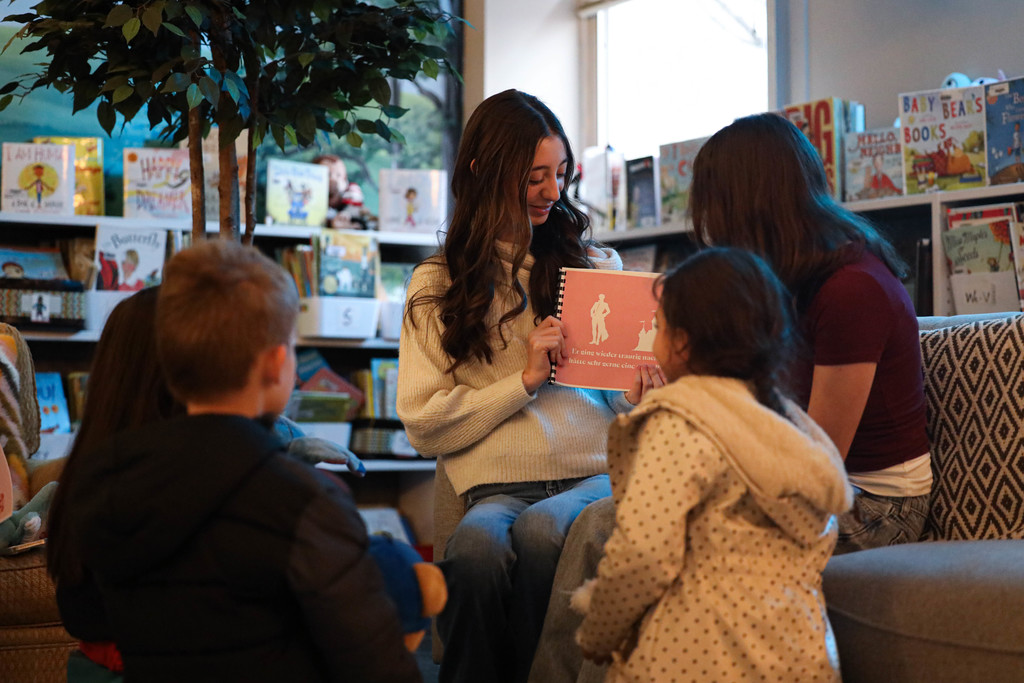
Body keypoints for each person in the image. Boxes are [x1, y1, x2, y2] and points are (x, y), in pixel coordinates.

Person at [63, 240, 419, 682]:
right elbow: (372, 657)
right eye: (292, 347)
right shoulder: (307, 499)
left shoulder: (103, 478)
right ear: (275, 363)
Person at [397, 89, 662, 683]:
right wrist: (523, 381)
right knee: (475, 551)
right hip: (496, 485)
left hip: (590, 471)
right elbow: (422, 424)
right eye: (534, 176)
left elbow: (617, 396)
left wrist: (637, 392)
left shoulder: (593, 266)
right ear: (482, 171)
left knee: (543, 534)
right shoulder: (436, 283)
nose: (551, 191)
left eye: (561, 174)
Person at [574, 247, 852, 682]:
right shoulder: (790, 424)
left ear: (681, 342)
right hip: (801, 652)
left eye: (658, 327)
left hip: (693, 655)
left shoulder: (681, 421)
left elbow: (643, 554)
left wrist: (598, 633)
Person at [689, 112, 932, 554]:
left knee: (667, 525)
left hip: (873, 504)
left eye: (712, 204)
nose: (708, 226)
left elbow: (817, 460)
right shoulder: (791, 277)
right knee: (622, 514)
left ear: (744, 205)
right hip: (816, 480)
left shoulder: (851, 290)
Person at [313, 153, 366, 229]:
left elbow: (357, 214)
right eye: (327, 174)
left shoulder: (351, 194)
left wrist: (346, 218)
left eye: (339, 175)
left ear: (345, 179)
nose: (333, 179)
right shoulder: (311, 196)